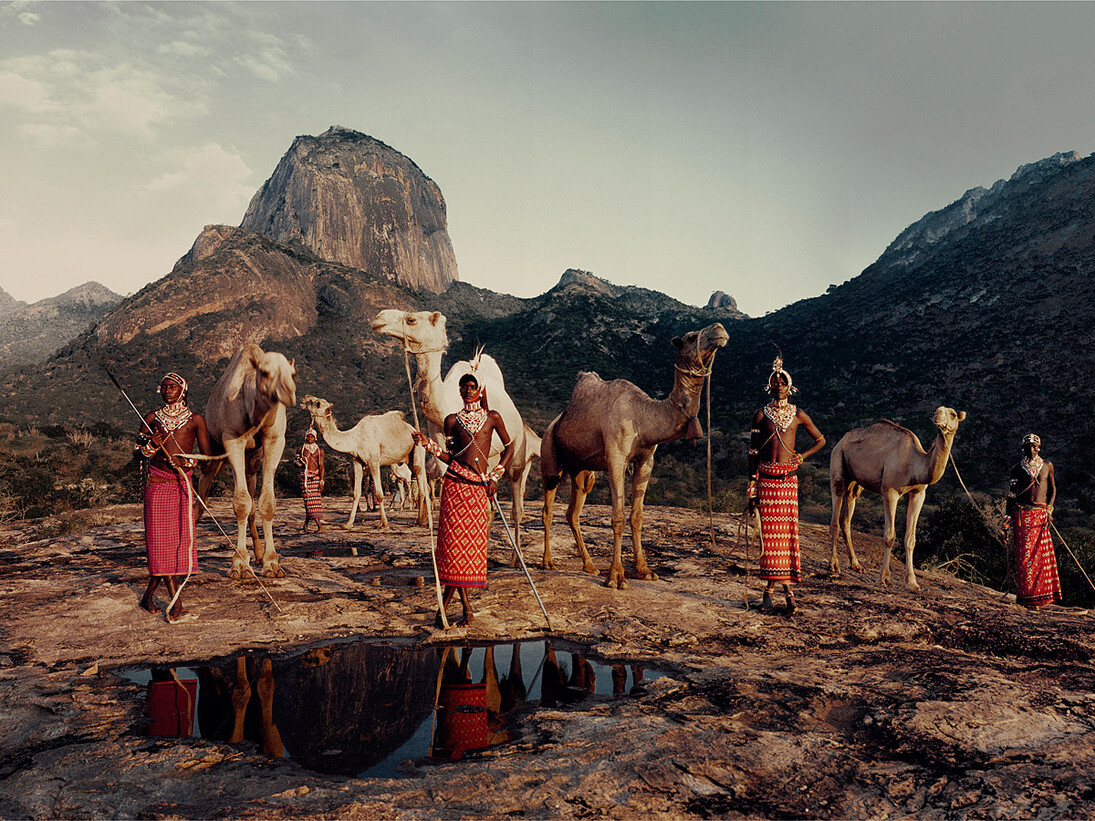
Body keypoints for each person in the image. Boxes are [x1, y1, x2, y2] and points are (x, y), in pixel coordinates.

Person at [412, 373, 513, 627]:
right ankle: (465, 609)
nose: (468, 390)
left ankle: (445, 609)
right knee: (453, 552)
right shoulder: (451, 421)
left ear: (480, 391)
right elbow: (449, 456)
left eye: (472, 387)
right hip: (454, 488)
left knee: (469, 553)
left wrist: (496, 477)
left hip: (478, 490)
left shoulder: (493, 418)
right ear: (459, 391)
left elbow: (510, 448)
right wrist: (427, 445)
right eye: (464, 387)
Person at [747, 355, 825, 614]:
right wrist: (751, 491)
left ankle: (779, 592)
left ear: (789, 386)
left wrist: (801, 456)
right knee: (769, 541)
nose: (778, 384)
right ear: (769, 386)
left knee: (788, 539)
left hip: (788, 484)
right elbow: (753, 454)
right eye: (774, 381)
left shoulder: (799, 414)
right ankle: (780, 593)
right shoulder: (760, 414)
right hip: (766, 484)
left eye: (782, 381)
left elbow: (820, 440)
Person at [135, 373, 211, 624]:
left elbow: (206, 459)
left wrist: (183, 460)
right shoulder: (151, 419)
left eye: (172, 387)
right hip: (156, 486)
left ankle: (147, 597)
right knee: (159, 544)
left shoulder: (196, 420)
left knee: (176, 544)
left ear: (183, 390)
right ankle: (176, 601)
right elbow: (138, 455)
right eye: (164, 387)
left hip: (181, 484)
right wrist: (152, 446)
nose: (167, 391)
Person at [1006, 433, 1062, 609]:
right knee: (1025, 558)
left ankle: (1040, 599)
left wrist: (1050, 509)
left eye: (1034, 446)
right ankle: (1026, 599)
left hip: (1041, 515)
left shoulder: (1047, 466)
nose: (1031, 449)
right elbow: (1012, 495)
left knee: (1041, 557)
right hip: (1022, 515)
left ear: (1039, 448)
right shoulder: (1016, 469)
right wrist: (1006, 520)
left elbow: (1053, 489)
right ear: (1023, 449)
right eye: (1027, 446)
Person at [295, 428, 325, 533]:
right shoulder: (301, 449)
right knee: (309, 503)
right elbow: (296, 464)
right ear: (305, 437)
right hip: (305, 479)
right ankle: (318, 526)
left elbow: (321, 466)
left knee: (315, 503)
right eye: (308, 436)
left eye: (312, 436)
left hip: (315, 478)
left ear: (315, 438)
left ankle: (307, 525)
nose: (310, 438)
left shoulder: (320, 451)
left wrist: (321, 481)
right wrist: (300, 462)